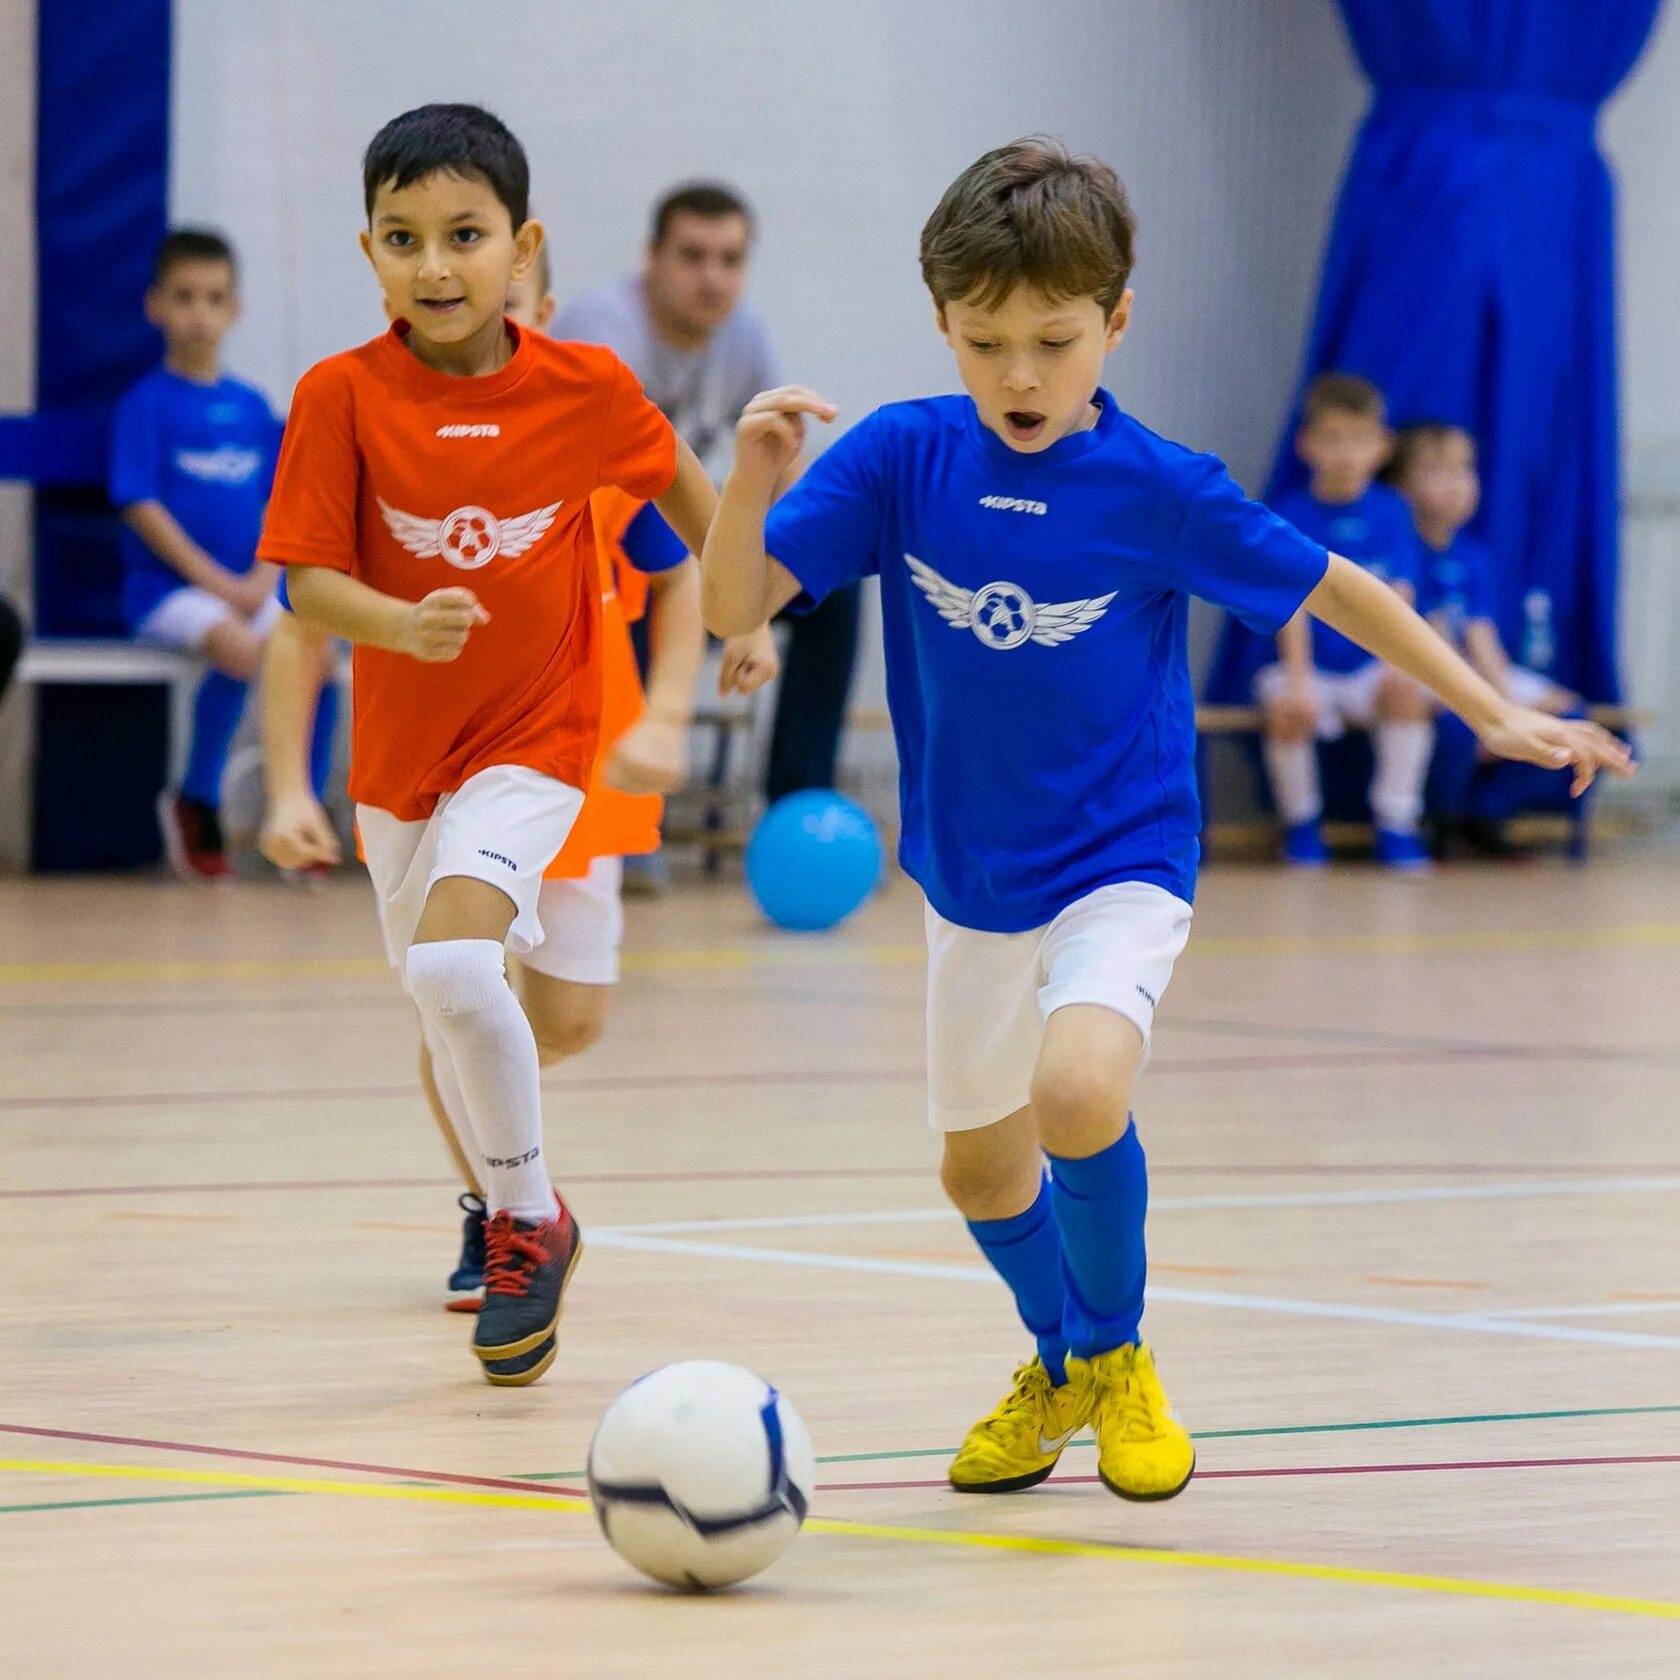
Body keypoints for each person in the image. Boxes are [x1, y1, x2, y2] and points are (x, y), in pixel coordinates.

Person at [699, 138, 1631, 1504]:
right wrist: (749, 477)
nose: (1020, 376)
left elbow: (1343, 590)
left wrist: (1486, 709)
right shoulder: (903, 456)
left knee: (1078, 1090)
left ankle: (1120, 1356)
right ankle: (1058, 1359)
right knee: (975, 1170)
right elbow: (733, 608)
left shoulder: (1160, 487)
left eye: (1053, 341)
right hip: (970, 874)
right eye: (986, 341)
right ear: (944, 325)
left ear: (1115, 323)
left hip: (1120, 858)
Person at [258, 103, 718, 1386]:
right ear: (369, 252)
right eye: (403, 239)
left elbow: (694, 509)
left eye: (464, 235)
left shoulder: (584, 387)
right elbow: (302, 592)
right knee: (439, 983)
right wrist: (400, 624)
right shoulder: (337, 396)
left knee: (462, 969)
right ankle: (526, 1210)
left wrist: (749, 604)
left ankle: (524, 1218)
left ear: (524, 247)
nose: (436, 265)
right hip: (403, 767)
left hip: (539, 741)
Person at [556, 183, 859, 875]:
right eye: (693, 256)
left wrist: (787, 565)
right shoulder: (604, 329)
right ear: (652, 259)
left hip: (687, 533)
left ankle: (800, 813)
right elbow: (619, 498)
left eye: (730, 259)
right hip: (601, 543)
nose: (712, 277)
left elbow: (786, 471)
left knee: (833, 590)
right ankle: (623, 808)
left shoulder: (744, 335)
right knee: (649, 573)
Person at [111, 228, 337, 879]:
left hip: (247, 584)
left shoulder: (249, 406)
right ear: (156, 305)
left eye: (214, 298)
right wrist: (221, 585)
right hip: (168, 594)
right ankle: (198, 799)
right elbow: (142, 507)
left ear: (234, 308)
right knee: (238, 646)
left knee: (315, 650)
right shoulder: (145, 405)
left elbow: (279, 507)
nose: (199, 313)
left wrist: (264, 577)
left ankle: (302, 807)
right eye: (184, 297)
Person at [1255, 373, 1435, 870]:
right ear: (1306, 444)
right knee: (1287, 707)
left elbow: (1397, 598)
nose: (1345, 452)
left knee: (1408, 694)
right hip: (1308, 664)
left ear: (1382, 447)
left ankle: (1397, 823)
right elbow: (1288, 606)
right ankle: (1302, 824)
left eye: (1358, 439)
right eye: (1332, 439)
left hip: (1366, 668)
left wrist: (1398, 666)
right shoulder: (1288, 514)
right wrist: (1297, 680)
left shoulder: (1393, 511)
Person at [1387, 421, 1586, 856]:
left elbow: (1482, 637)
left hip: (1469, 664)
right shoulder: (1399, 548)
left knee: (1573, 717)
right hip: (1419, 666)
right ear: (1401, 484)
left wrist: (1505, 707)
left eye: (1464, 470)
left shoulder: (1473, 555)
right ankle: (1441, 821)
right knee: (1457, 720)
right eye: (1437, 471)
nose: (1456, 484)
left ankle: (1489, 812)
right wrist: (1486, 708)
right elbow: (1429, 643)